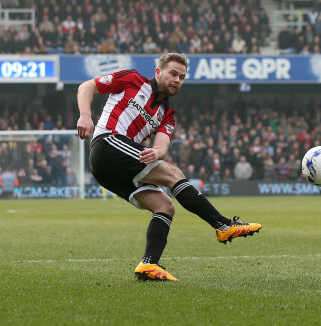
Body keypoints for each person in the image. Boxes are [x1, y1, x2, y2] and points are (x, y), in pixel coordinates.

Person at [76, 52, 261, 282]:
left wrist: (158, 152)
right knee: (174, 174)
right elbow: (87, 86)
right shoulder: (132, 79)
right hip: (107, 144)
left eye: (182, 77)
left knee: (165, 205)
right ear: (158, 72)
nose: (177, 80)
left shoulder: (168, 115)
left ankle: (148, 265)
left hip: (114, 169)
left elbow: (162, 145)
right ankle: (223, 225)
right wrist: (85, 115)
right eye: (173, 73)